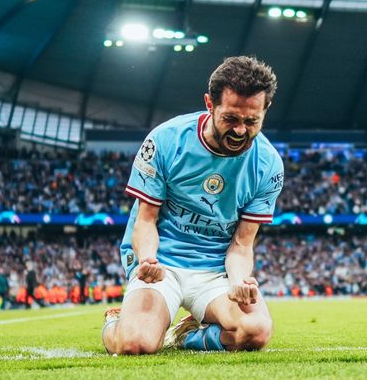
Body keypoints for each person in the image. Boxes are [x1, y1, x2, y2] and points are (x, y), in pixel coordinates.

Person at [102, 56, 284, 355]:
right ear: (210, 105)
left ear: (266, 110)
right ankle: (115, 324)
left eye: (252, 121)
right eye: (231, 119)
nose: (240, 130)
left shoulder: (268, 164)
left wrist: (238, 280)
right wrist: (147, 259)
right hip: (162, 262)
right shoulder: (166, 140)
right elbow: (145, 221)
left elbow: (241, 244)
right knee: (135, 345)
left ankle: (186, 335)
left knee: (255, 332)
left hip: (214, 272)